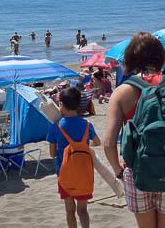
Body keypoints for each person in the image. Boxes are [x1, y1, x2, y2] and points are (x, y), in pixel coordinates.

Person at [103, 32, 165, 228]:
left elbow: (109, 144)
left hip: (137, 170)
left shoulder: (121, 93)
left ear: (130, 58)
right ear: (160, 56)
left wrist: (119, 171)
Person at [47, 86, 100, 228]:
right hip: (84, 173)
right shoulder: (87, 125)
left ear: (62, 105)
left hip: (64, 174)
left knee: (70, 210)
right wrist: (84, 146)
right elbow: (97, 142)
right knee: (83, 210)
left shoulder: (56, 126)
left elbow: (52, 154)